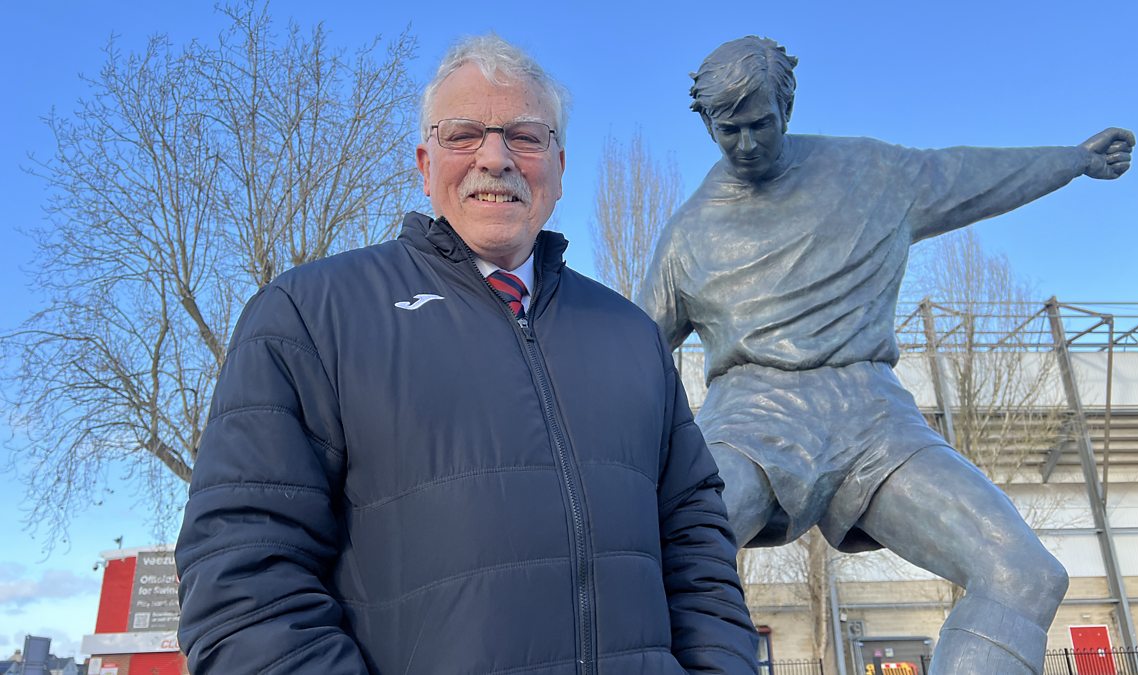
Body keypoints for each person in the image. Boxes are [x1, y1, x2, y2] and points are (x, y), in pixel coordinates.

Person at [176, 35, 758, 675]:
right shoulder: (308, 317)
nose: (495, 158)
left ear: (559, 167)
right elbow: (245, 586)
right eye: (463, 135)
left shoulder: (631, 335)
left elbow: (697, 543)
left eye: (525, 137)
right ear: (425, 165)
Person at [639, 36, 1134, 675]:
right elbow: (636, 354)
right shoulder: (687, 234)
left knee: (1025, 573)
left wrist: (1072, 160)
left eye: (760, 124)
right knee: (648, 558)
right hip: (749, 418)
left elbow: (973, 177)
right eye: (728, 129)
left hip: (872, 414)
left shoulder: (873, 176)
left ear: (787, 107)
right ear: (706, 124)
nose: (747, 144)